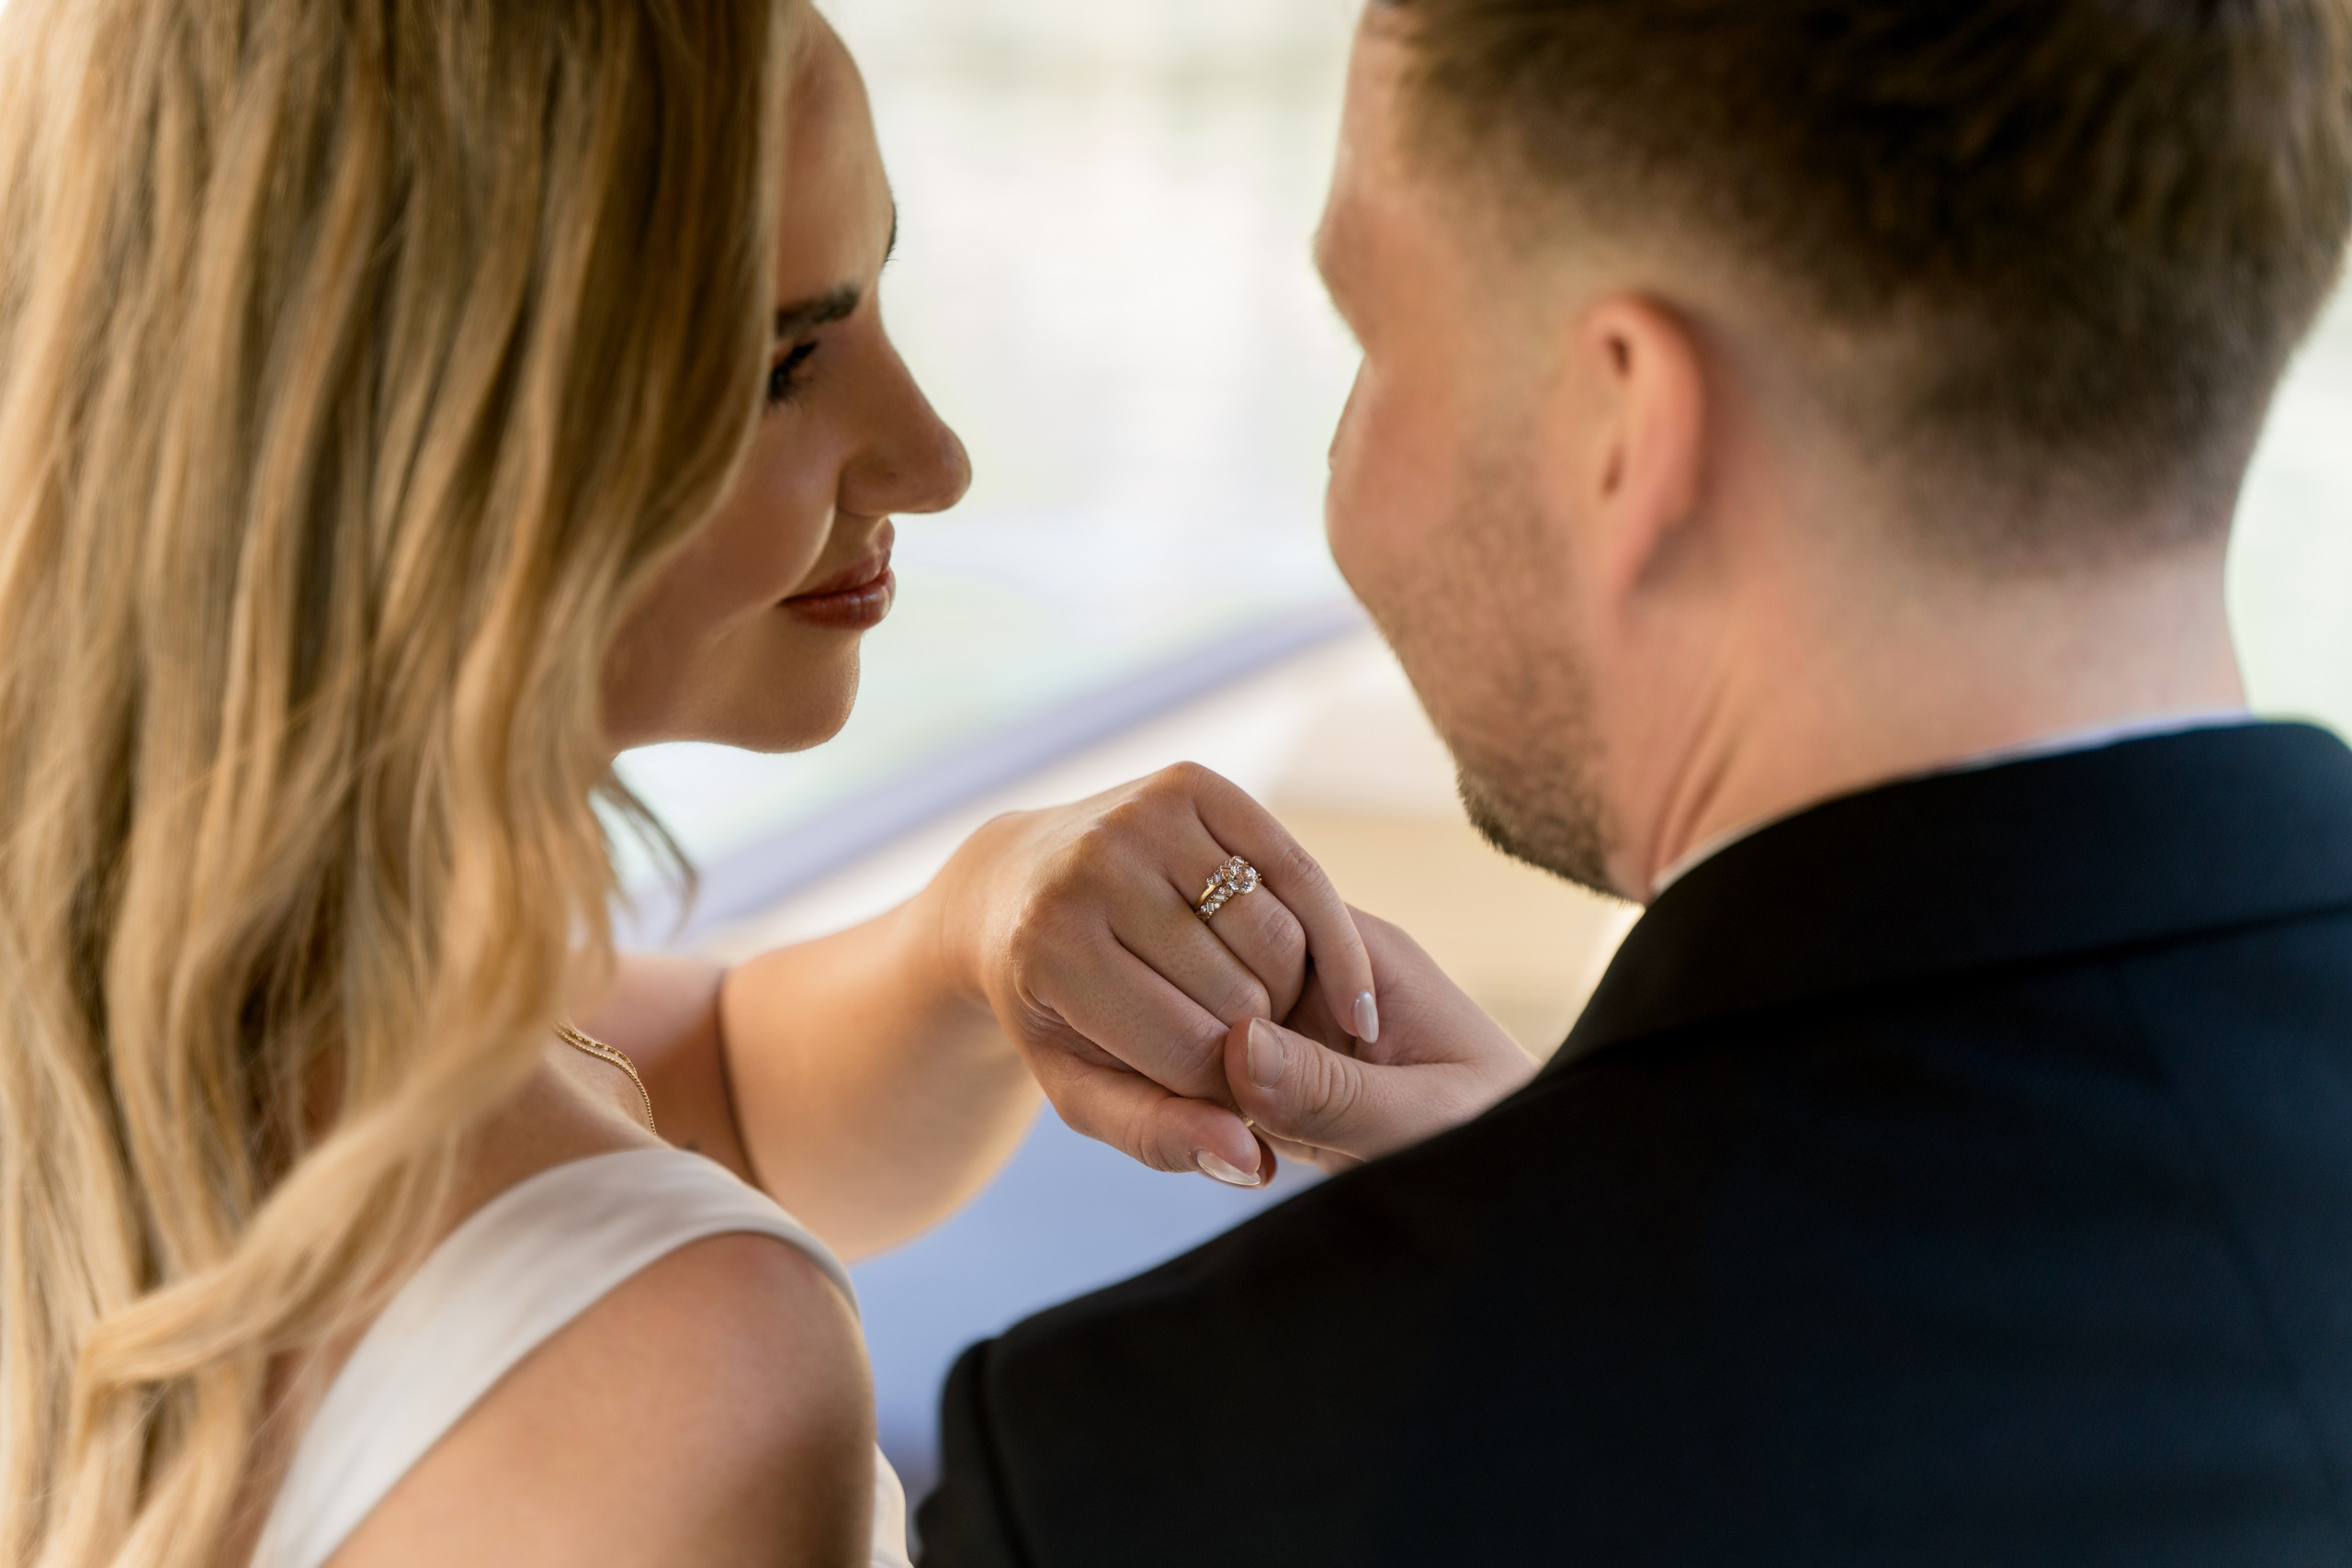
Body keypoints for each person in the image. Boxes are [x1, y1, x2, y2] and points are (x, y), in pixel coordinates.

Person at [0, 5, 1514, 1566]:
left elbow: (703, 1078)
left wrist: (980, 923)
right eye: (784, 364)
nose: (935, 459)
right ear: (416, 439)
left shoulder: (178, 993)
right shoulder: (690, 1357)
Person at [917, 1, 2352, 1562]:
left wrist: (1550, 1227)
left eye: (1374, 339)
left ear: (1622, 423)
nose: (1344, 479)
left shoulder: (1173, 1478)